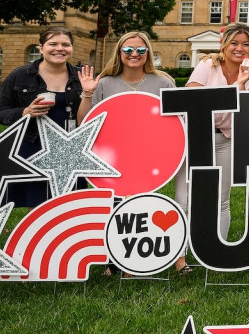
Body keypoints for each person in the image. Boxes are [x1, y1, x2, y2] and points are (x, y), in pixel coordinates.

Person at [76, 32, 187, 273]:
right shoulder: (104, 83)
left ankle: (139, 257)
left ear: (148, 53)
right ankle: (114, 261)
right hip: (112, 155)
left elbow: (176, 122)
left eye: (140, 50)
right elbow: (84, 121)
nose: (134, 54)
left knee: (141, 206)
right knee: (116, 205)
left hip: (149, 154)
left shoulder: (164, 83)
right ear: (119, 53)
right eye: (128, 50)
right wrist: (87, 93)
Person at [174, 23, 249, 238]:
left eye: (245, 44)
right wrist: (235, 87)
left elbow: (244, 115)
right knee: (184, 198)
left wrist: (241, 83)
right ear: (224, 45)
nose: (239, 48)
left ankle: (218, 248)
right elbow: (192, 97)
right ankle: (180, 253)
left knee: (222, 199)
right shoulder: (208, 64)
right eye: (234, 43)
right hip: (195, 137)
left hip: (226, 140)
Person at [0, 27, 88, 207]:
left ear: (71, 48)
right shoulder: (20, 75)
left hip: (69, 150)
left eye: (65, 44)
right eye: (52, 44)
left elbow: (87, 118)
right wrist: (24, 112)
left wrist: (88, 93)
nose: (59, 48)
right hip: (33, 148)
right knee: (37, 208)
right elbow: (0, 112)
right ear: (41, 47)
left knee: (69, 206)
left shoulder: (81, 77)